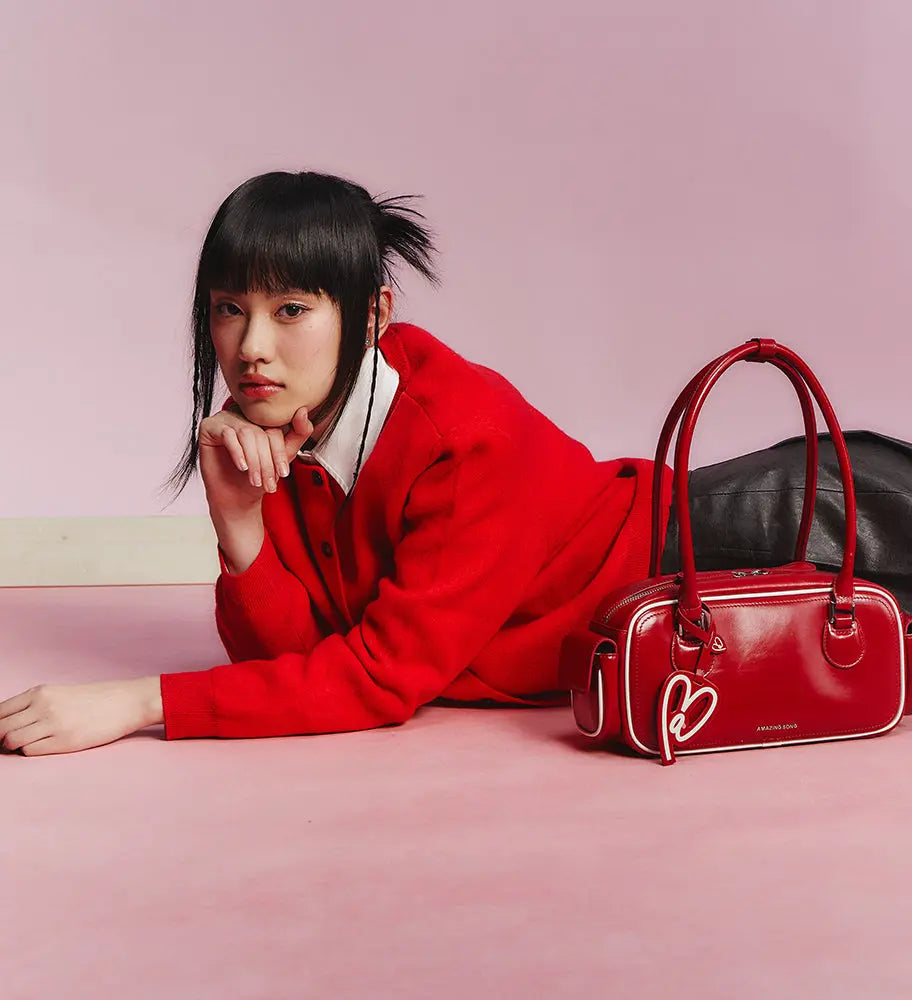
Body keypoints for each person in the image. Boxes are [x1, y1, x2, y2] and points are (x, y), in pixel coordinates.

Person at [0, 170, 665, 756]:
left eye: (291, 309)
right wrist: (240, 522)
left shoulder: (463, 439)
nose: (252, 347)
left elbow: (379, 677)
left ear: (373, 316)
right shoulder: (272, 416)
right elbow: (294, 662)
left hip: (693, 555)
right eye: (231, 309)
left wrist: (140, 703)